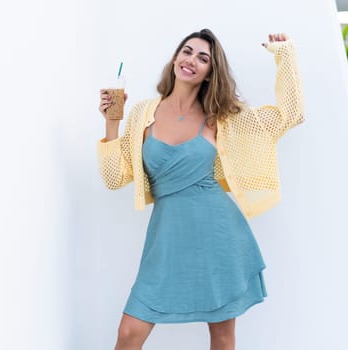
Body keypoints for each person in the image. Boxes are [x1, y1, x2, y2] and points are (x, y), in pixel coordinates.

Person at [97, 28, 304, 350]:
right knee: (128, 334)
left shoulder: (223, 117)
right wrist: (112, 121)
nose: (191, 60)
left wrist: (285, 54)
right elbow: (113, 178)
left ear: (210, 72)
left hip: (219, 235)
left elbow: (292, 115)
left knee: (221, 336)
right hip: (165, 239)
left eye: (202, 57)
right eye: (187, 51)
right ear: (176, 57)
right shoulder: (143, 113)